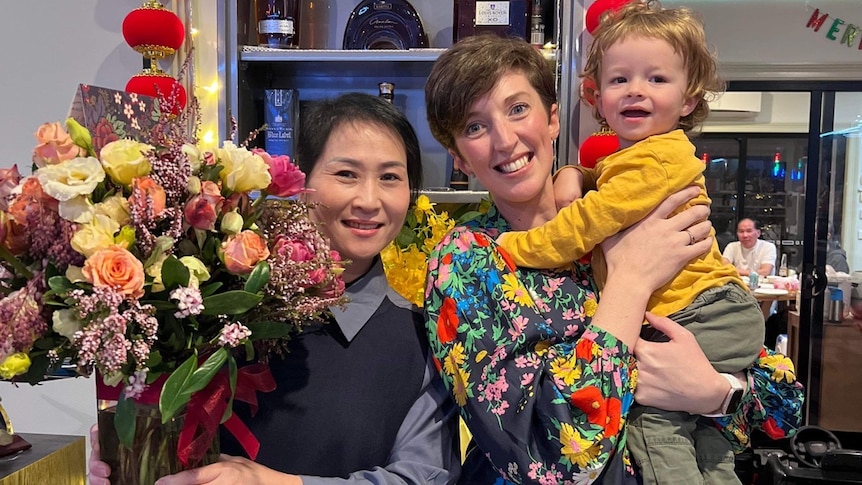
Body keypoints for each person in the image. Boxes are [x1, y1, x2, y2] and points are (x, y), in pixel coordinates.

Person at [423, 33, 803, 484]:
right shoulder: (466, 262)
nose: (505, 140)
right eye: (475, 127)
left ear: (552, 119)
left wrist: (719, 392)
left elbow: (784, 410)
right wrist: (631, 282)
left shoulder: (634, 210)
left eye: (518, 108)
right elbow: (549, 459)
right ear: (460, 159)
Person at [88, 93, 461, 485]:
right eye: (346, 174)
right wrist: (133, 449)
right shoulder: (215, 305)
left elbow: (422, 478)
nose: (369, 200)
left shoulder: (424, 340)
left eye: (390, 177)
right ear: (304, 183)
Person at [491, 3, 766, 482]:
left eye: (656, 78)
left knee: (653, 425)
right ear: (597, 98)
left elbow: (584, 225)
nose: (636, 89)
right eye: (620, 79)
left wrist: (513, 247)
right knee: (704, 438)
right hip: (714, 311)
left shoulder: (651, 162)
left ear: (688, 98)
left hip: (702, 314)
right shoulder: (643, 159)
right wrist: (577, 173)